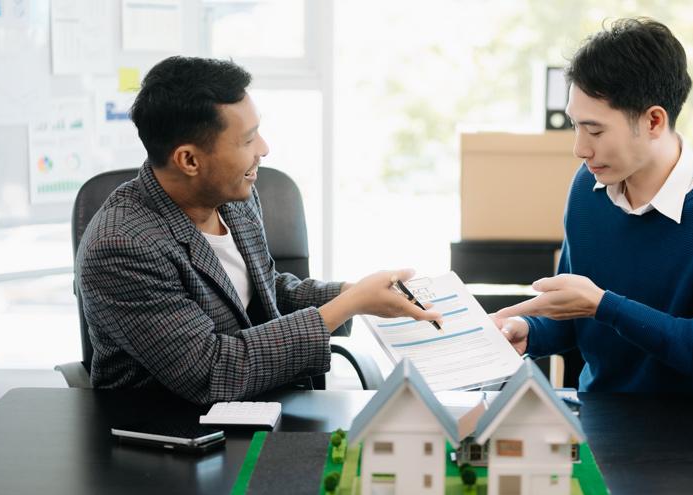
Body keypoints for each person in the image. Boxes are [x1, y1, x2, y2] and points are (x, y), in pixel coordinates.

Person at [76, 56, 440, 404]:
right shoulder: (121, 245)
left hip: (258, 405)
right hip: (169, 433)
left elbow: (264, 293)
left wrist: (352, 293)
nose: (264, 149)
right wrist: (348, 304)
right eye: (248, 140)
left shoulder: (235, 197)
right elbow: (211, 370)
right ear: (189, 160)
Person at [493, 18, 693, 403]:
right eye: (575, 127)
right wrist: (529, 330)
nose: (580, 148)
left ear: (654, 121)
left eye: (595, 131)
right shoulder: (587, 188)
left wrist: (608, 307)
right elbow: (579, 316)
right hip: (602, 422)